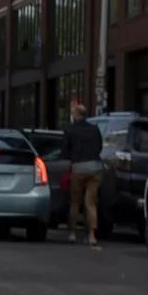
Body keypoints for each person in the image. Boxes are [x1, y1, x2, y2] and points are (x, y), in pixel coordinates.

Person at [62, 98, 105, 249]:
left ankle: (72, 233)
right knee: (91, 203)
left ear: (76, 115)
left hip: (78, 168)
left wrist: (72, 158)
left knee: (75, 202)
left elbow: (65, 151)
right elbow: (100, 147)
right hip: (95, 167)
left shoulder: (70, 130)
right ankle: (92, 235)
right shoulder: (95, 129)